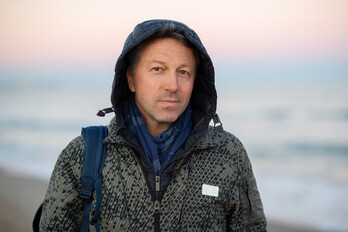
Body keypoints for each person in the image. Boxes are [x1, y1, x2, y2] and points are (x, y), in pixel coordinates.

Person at [38, 19, 267, 231]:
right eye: (158, 69)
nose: (172, 85)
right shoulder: (83, 155)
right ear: (131, 78)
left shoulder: (228, 153)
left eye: (183, 72)